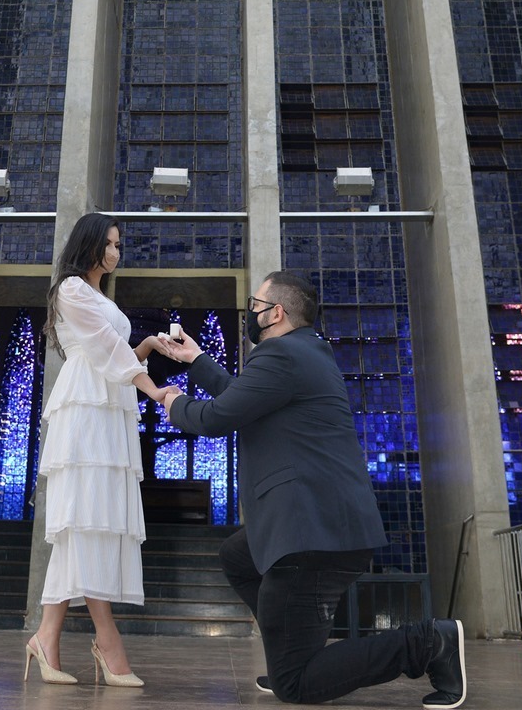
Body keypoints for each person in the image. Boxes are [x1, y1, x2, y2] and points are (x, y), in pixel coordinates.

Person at [161, 270, 467, 707]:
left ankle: (427, 642)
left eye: (255, 305)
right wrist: (196, 360)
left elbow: (215, 417)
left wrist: (172, 402)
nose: (251, 313)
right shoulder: (302, 352)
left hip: (313, 534)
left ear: (276, 313)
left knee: (296, 686)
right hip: (319, 523)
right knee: (237, 556)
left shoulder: (281, 356)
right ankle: (292, 646)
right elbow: (241, 397)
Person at [25, 212, 178, 687]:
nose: (115, 252)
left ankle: (46, 638)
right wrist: (157, 393)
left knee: (88, 522)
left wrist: (149, 344)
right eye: (109, 244)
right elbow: (107, 355)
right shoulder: (71, 289)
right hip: (87, 410)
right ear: (89, 244)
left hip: (106, 406)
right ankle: (106, 639)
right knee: (87, 518)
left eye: (118, 245)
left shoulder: (95, 295)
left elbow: (115, 358)